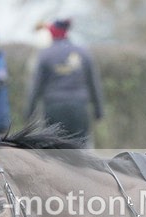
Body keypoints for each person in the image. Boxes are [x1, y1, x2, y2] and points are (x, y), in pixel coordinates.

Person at [25, 18, 104, 147]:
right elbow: (93, 83)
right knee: (81, 148)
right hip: (79, 107)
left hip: (54, 108)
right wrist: (98, 110)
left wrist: (29, 111)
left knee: (55, 150)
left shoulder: (45, 54)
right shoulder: (83, 53)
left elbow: (36, 86)